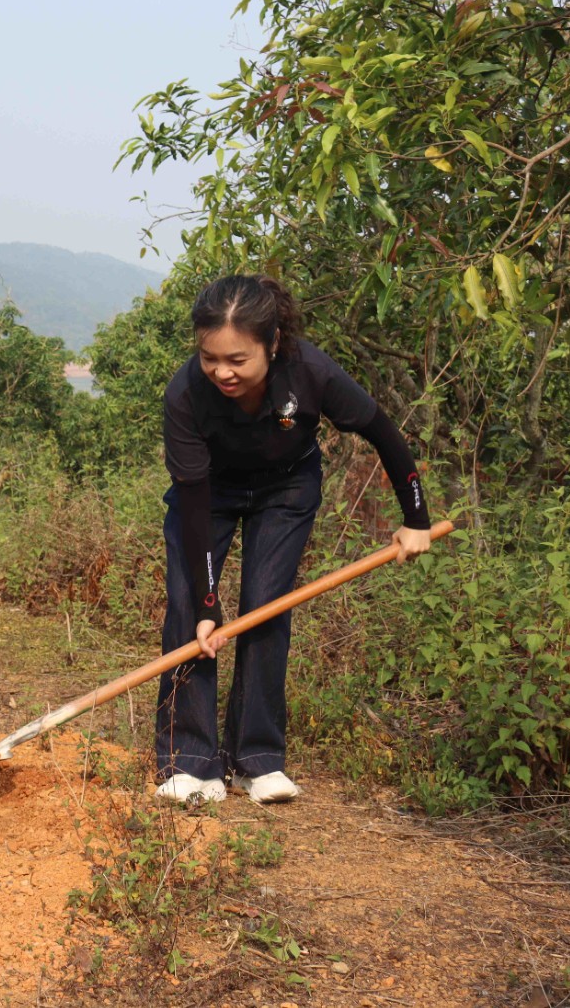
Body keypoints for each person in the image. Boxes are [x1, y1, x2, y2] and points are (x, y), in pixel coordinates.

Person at [155, 275, 432, 805]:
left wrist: (416, 516)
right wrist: (209, 604)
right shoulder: (186, 393)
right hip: (208, 494)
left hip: (286, 487)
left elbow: (381, 431)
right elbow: (193, 501)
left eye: (237, 359)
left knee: (266, 606)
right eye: (210, 358)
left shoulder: (310, 372)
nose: (221, 372)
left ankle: (256, 761)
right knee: (189, 608)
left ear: (273, 342)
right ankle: (187, 761)